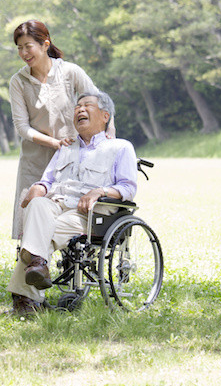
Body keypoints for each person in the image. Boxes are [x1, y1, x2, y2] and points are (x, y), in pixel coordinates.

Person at [7, 91, 137, 315]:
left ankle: (25, 300)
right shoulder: (65, 147)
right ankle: (38, 264)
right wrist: (40, 187)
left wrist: (101, 191)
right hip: (55, 205)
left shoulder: (120, 147)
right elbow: (48, 179)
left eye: (87, 106)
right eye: (77, 107)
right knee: (37, 204)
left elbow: (128, 188)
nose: (80, 110)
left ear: (105, 116)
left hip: (88, 214)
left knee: (37, 233)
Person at [9, 19, 104, 240]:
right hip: (35, 161)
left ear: (45, 44)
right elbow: (22, 127)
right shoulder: (18, 81)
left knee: (68, 212)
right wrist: (54, 143)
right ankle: (31, 265)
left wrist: (106, 138)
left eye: (28, 46)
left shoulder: (70, 72)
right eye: (19, 48)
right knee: (30, 211)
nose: (24, 52)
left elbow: (97, 102)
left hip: (73, 157)